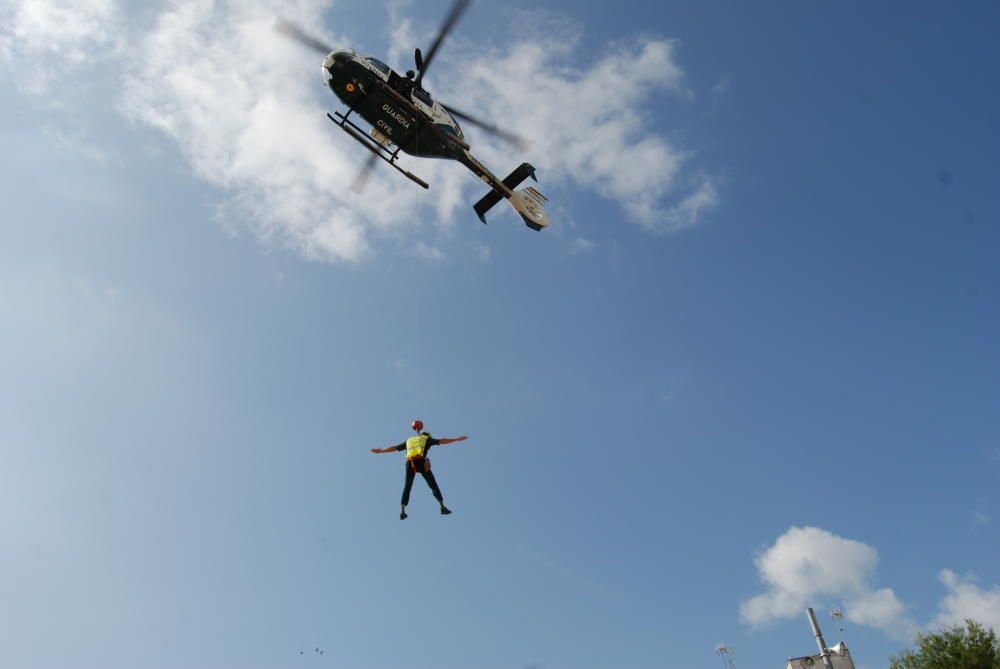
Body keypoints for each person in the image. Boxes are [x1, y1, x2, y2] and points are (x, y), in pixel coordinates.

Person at [371, 420, 468, 519]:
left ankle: (402, 511)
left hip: (410, 463)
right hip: (421, 462)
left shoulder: (409, 440)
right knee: (433, 484)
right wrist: (456, 439)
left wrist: (381, 451)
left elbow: (395, 448)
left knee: (407, 486)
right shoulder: (427, 439)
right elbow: (441, 441)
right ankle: (442, 507)